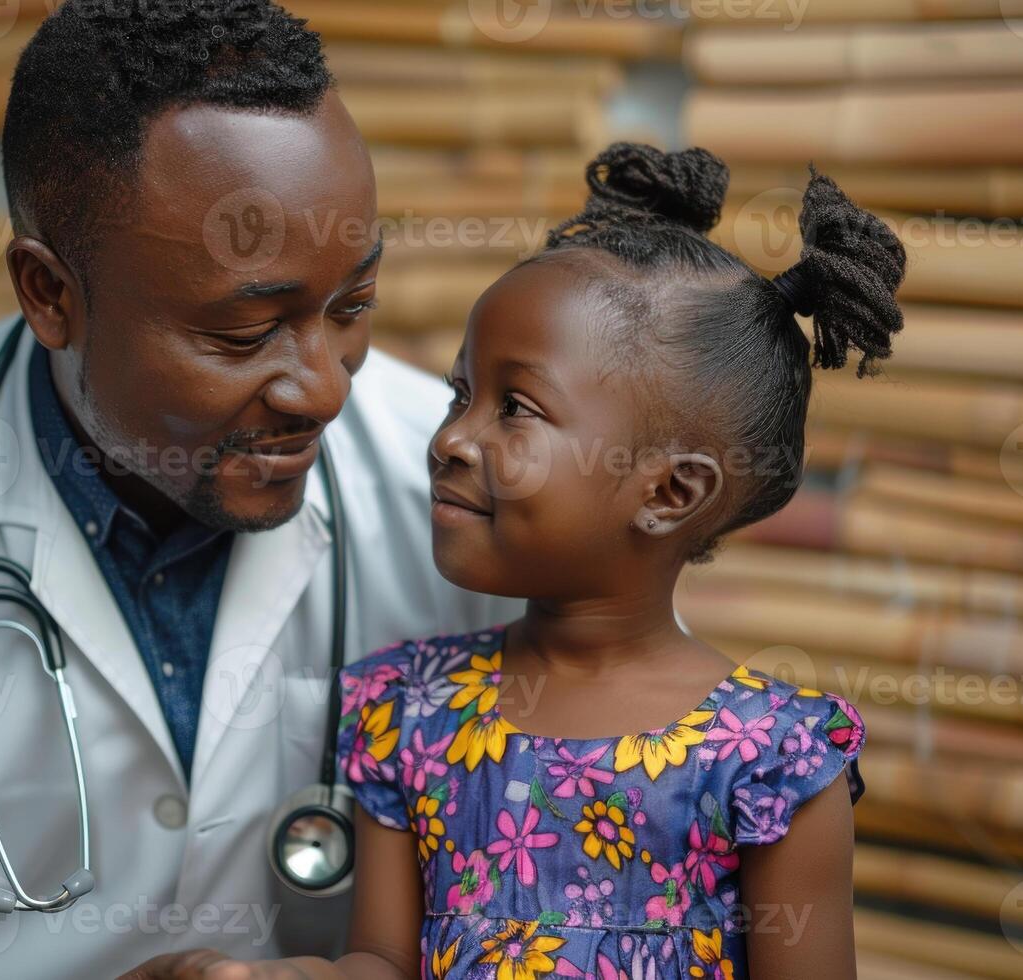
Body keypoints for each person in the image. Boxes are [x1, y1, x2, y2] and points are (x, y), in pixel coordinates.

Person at [0, 3, 519, 977]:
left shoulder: (468, 490)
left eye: (352, 307)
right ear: (50, 293)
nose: (325, 387)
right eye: (245, 336)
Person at [196, 143, 902, 978]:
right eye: (462, 395)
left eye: (515, 408)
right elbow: (379, 962)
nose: (451, 437)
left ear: (671, 492)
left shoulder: (772, 761)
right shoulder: (410, 713)